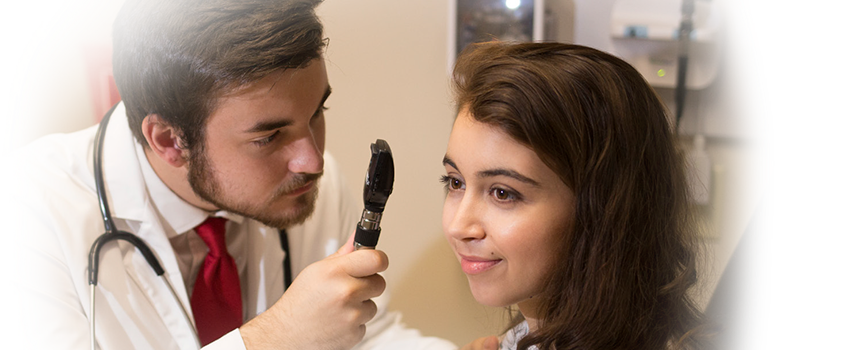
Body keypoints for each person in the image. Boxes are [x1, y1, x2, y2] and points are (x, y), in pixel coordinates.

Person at [0, 0, 461, 349]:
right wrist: (271, 339)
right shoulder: (24, 209)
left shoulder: (310, 184)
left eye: (317, 112)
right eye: (269, 137)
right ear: (168, 140)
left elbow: (365, 336)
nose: (314, 161)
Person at [440, 42, 725, 350]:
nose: (458, 227)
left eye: (502, 193)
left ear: (604, 207)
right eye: (455, 183)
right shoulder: (529, 337)